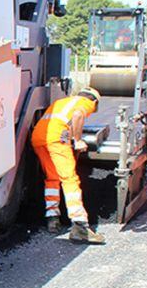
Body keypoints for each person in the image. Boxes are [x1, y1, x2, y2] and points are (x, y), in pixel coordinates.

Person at [32, 87, 106, 244]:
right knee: (69, 179)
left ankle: (52, 218)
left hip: (38, 138)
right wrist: (78, 140)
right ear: (94, 100)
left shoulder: (62, 102)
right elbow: (78, 115)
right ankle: (80, 226)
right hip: (57, 139)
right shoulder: (86, 102)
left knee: (52, 177)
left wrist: (71, 135)